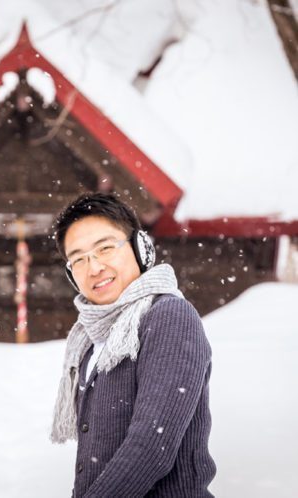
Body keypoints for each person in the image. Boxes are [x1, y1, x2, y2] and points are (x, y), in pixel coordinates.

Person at [51, 192, 216, 497]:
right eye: (79, 259)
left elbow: (153, 445)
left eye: (105, 248)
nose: (94, 267)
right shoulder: (91, 339)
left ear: (141, 248)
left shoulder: (169, 316)